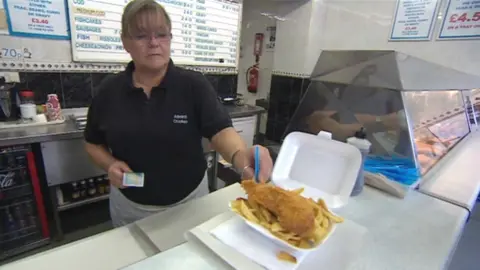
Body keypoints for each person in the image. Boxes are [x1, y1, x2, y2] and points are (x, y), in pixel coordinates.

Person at [84, 0, 273, 227]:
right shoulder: (109, 91)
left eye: (161, 34)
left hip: (190, 204)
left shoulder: (193, 85)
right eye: (142, 36)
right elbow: (93, 144)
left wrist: (240, 156)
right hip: (130, 208)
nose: (154, 43)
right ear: (125, 42)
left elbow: (220, 130)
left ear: (170, 39)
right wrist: (110, 164)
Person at [286, 65, 412, 158]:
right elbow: (338, 129)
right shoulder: (324, 109)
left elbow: (353, 119)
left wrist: (383, 121)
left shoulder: (386, 98)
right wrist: (383, 122)